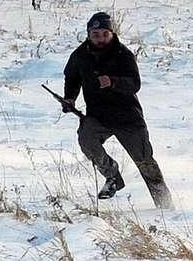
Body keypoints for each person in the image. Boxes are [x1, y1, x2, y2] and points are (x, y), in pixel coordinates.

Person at [62, 12, 173, 209]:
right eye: (95, 34)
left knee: (145, 161)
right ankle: (112, 176)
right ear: (88, 34)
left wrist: (113, 82)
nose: (100, 38)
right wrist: (69, 98)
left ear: (112, 33)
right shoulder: (80, 56)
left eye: (104, 34)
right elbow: (72, 78)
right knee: (86, 140)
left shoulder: (123, 55)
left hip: (128, 118)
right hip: (98, 116)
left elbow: (135, 83)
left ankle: (165, 206)